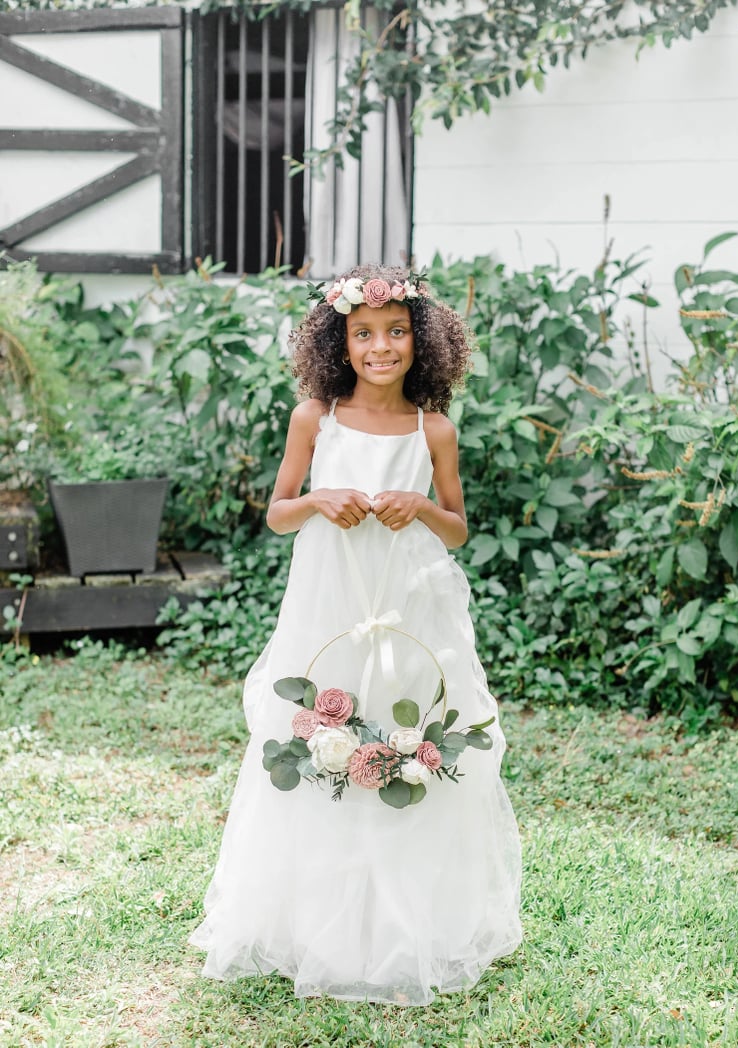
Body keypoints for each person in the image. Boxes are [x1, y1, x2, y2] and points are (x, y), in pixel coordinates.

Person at [189, 264, 522, 1006]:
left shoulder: (434, 428)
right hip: (329, 600)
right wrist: (317, 498)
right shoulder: (316, 417)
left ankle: (413, 917)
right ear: (340, 343)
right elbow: (277, 512)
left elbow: (459, 528)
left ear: (421, 341)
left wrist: (421, 506)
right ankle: (315, 923)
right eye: (365, 334)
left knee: (408, 730)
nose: (382, 347)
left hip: (408, 602)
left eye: (397, 332)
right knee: (323, 730)